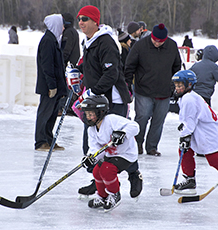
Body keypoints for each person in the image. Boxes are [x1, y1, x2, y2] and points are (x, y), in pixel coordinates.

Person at [75, 5, 142, 200]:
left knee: (120, 141)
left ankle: (134, 174)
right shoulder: (88, 41)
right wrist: (77, 73)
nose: (81, 22)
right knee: (93, 139)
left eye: (85, 19)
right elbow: (90, 66)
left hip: (112, 100)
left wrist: (93, 91)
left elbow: (111, 73)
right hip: (96, 100)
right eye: (79, 18)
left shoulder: (105, 42)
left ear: (96, 22)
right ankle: (98, 180)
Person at [171, 70, 218, 197]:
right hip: (198, 128)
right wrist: (185, 134)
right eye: (176, 85)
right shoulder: (185, 97)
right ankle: (190, 180)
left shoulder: (189, 99)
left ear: (189, 85)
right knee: (184, 150)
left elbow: (190, 121)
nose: (177, 88)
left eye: (180, 85)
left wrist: (185, 134)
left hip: (206, 130)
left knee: (213, 158)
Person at [125, 23, 182, 156]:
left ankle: (151, 147)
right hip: (144, 90)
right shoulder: (140, 45)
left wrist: (174, 85)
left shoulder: (172, 46)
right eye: (155, 40)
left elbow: (176, 66)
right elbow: (129, 66)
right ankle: (137, 143)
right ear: (152, 36)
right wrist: (128, 83)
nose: (157, 43)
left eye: (160, 41)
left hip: (164, 91)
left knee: (158, 120)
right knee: (142, 117)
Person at [79, 95, 139, 212]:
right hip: (111, 155)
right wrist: (91, 158)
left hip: (126, 154)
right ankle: (102, 196)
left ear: (101, 112)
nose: (89, 118)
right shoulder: (91, 130)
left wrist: (123, 133)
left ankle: (114, 194)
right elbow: (95, 148)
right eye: (87, 114)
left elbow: (134, 126)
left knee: (106, 169)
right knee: (97, 171)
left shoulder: (111, 120)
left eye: (91, 114)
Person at [34, 14, 67, 151]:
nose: (63, 28)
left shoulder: (54, 40)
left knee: (52, 114)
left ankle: (48, 139)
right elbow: (47, 66)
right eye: (62, 24)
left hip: (55, 85)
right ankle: (41, 141)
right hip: (49, 86)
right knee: (45, 113)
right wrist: (52, 86)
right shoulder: (48, 41)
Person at [57, 12, 81, 117]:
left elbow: (66, 49)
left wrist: (61, 61)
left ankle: (63, 107)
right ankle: (69, 106)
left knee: (66, 87)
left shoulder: (68, 33)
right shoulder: (73, 32)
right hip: (73, 63)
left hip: (69, 65)